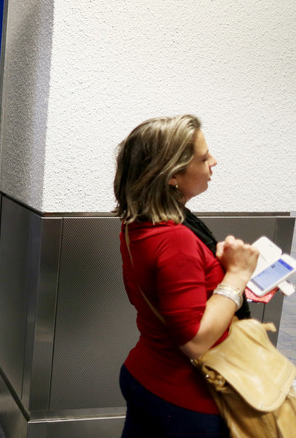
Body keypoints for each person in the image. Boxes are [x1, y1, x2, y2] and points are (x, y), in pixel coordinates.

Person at [112, 115, 259, 437]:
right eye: (204, 157)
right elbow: (194, 342)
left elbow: (172, 294)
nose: (214, 162)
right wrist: (237, 275)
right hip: (184, 399)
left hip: (148, 374)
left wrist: (219, 275)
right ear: (173, 176)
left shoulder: (138, 224)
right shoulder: (175, 239)